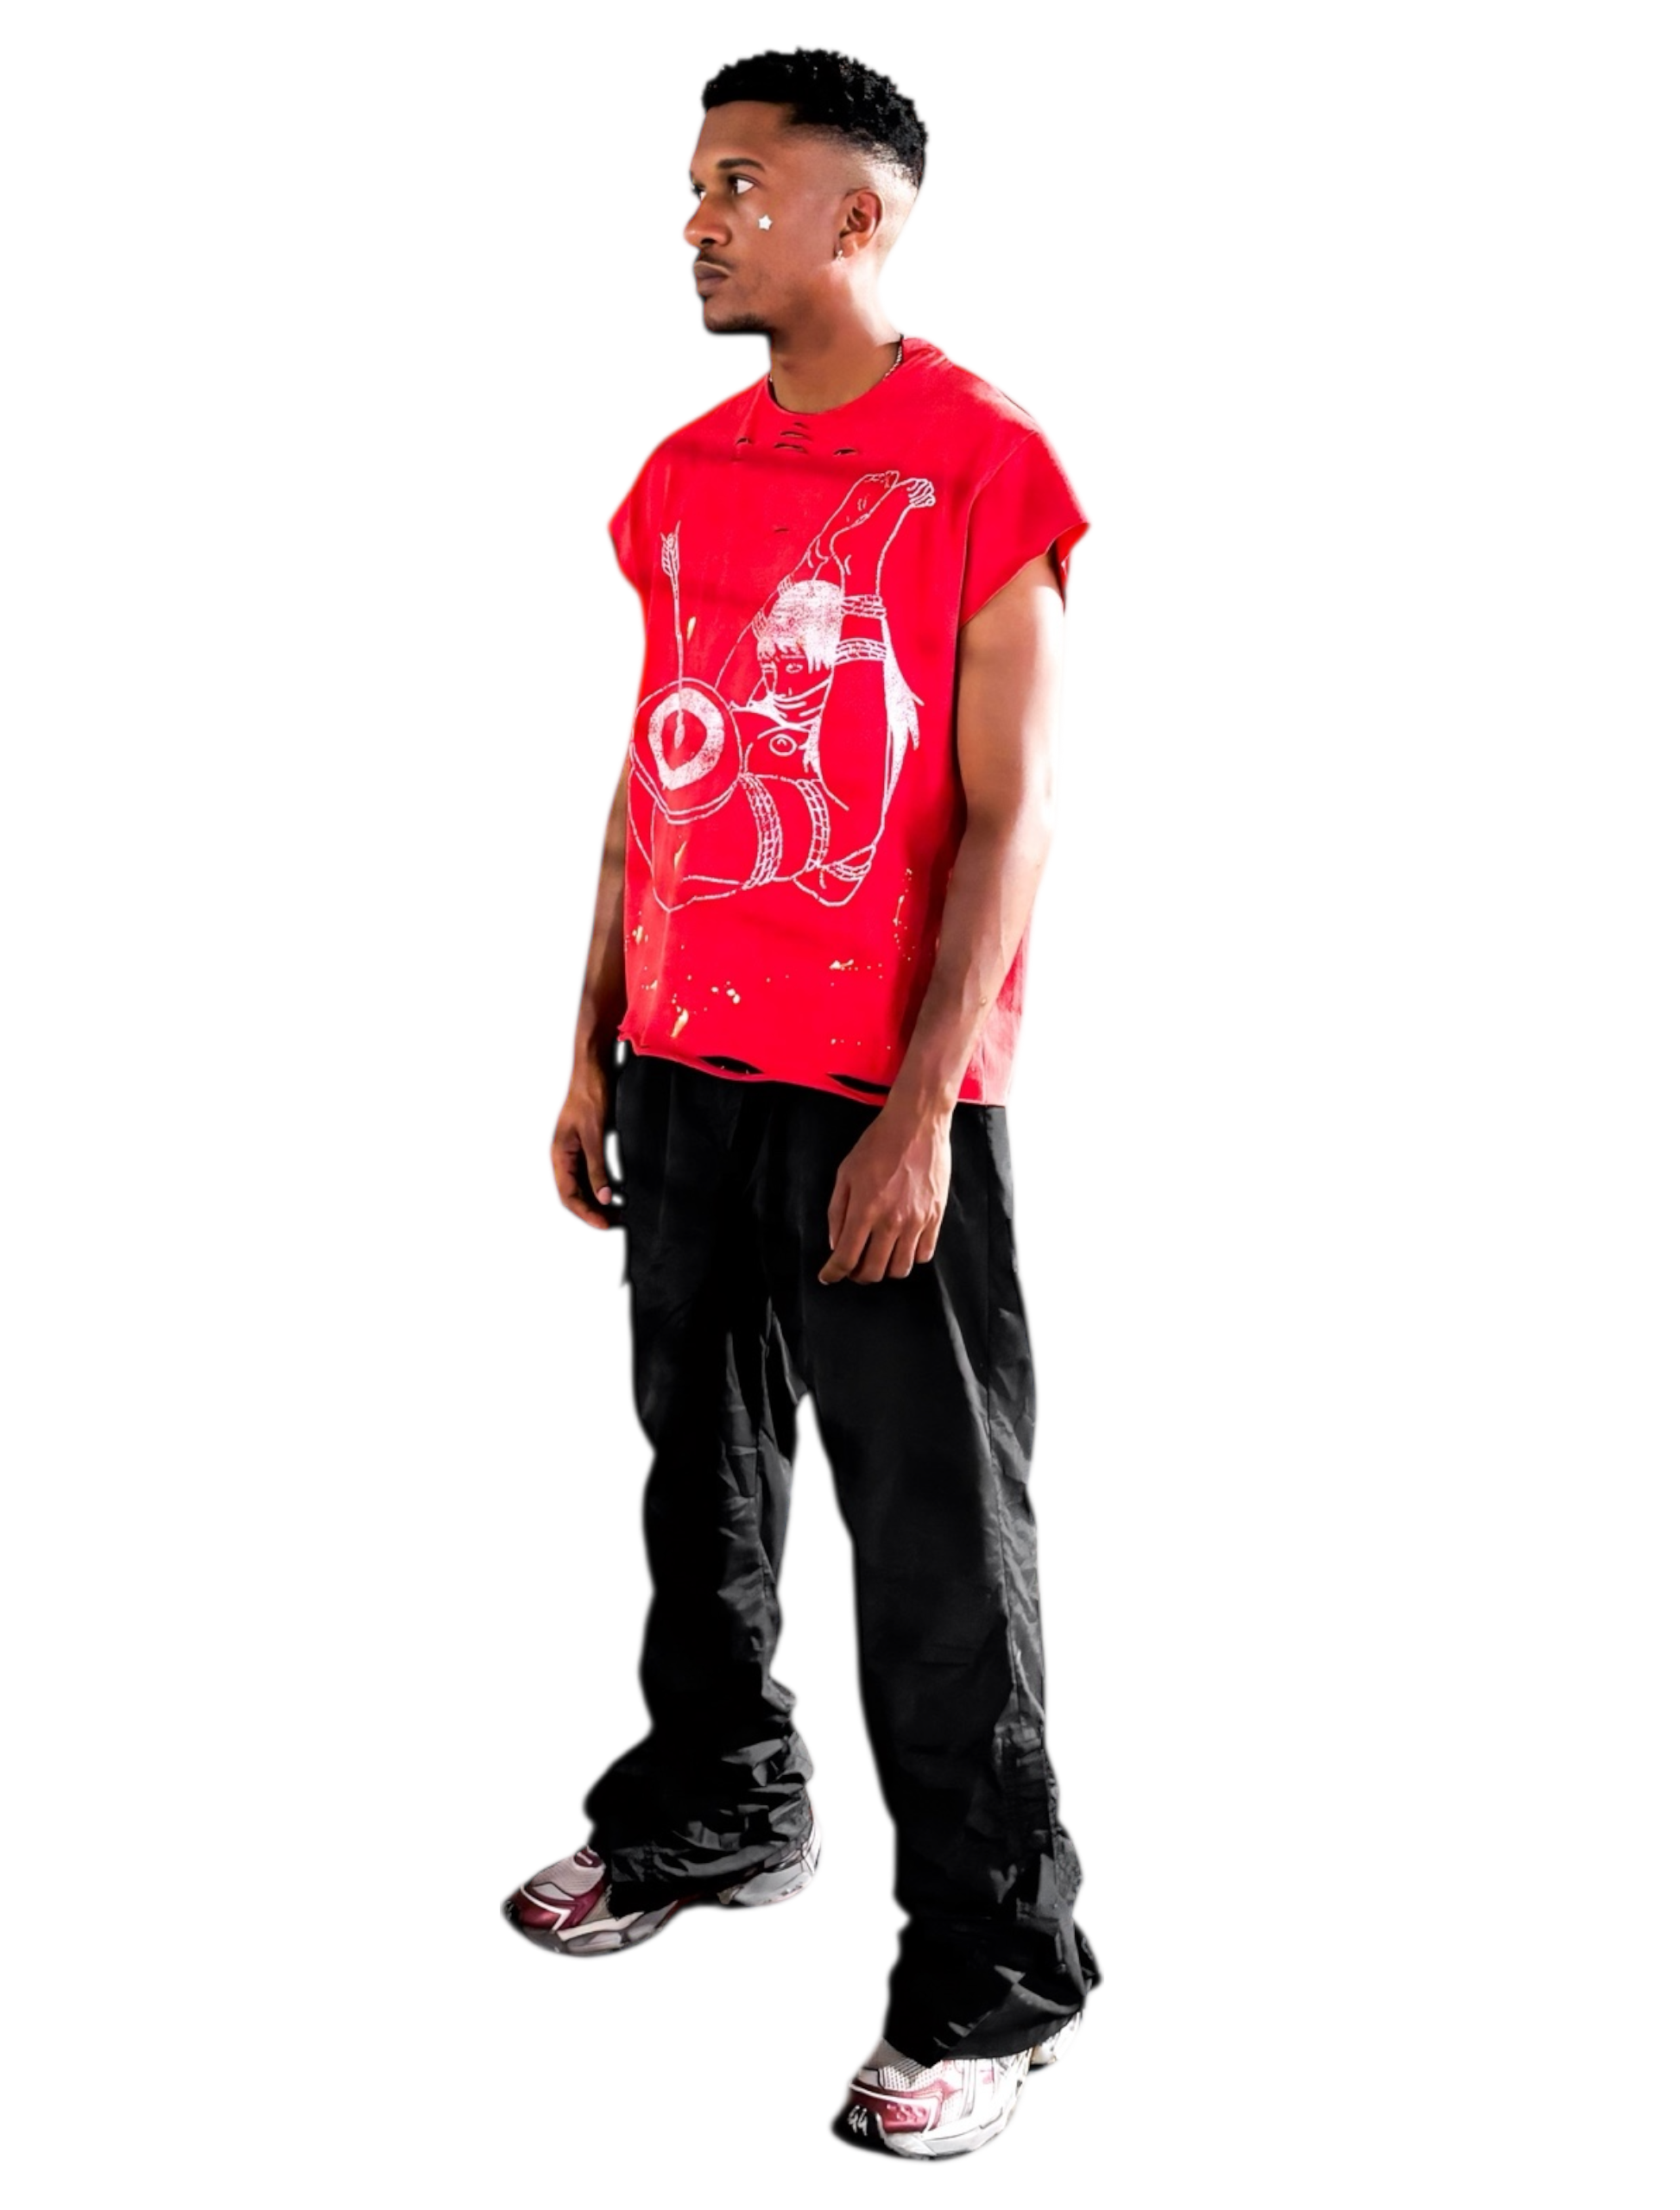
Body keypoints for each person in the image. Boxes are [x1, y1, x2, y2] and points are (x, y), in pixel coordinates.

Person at [503, 45, 1102, 2167]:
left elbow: (1015, 814)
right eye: (691, 183)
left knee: (932, 1545)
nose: (695, 219)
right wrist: (593, 1036)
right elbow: (647, 757)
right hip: (683, 1065)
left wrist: (924, 1107)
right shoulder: (677, 469)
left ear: (860, 215)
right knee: (694, 1483)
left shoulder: (984, 457)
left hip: (880, 1090)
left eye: (737, 186)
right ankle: (723, 1810)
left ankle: (999, 1981)